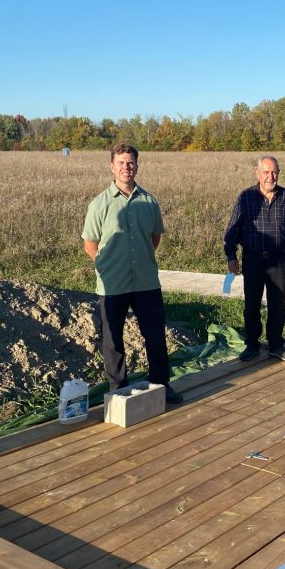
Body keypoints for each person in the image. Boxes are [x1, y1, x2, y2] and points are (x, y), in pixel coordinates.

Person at [83, 144, 182, 403]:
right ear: (112, 166)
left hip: (146, 282)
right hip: (113, 283)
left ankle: (161, 384)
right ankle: (117, 389)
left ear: (137, 166)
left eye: (131, 163)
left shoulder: (149, 201)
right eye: (121, 163)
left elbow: (155, 236)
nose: (126, 167)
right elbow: (90, 242)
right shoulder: (100, 204)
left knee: (155, 335)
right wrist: (103, 264)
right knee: (113, 340)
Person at [223, 155, 285, 362]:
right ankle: (252, 344)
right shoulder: (246, 197)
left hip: (279, 259)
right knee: (251, 304)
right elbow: (232, 229)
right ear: (257, 174)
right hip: (253, 259)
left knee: (277, 304)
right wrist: (231, 256)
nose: (271, 176)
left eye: (274, 172)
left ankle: (276, 344)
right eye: (266, 172)